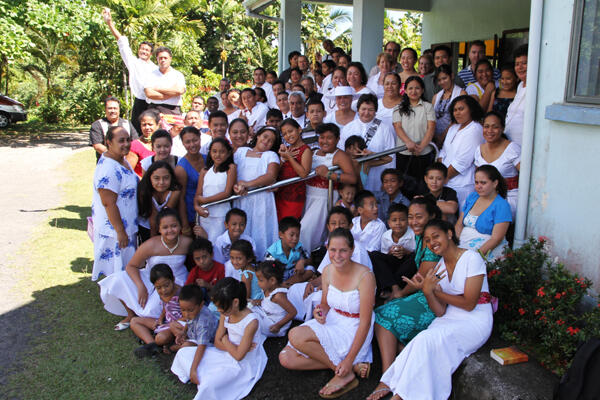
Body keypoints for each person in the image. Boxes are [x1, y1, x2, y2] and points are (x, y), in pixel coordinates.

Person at [371, 219, 493, 400]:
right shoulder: (440, 266)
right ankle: (396, 388)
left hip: (475, 320)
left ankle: (400, 394)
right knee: (422, 341)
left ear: (449, 234)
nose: (432, 242)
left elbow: (469, 303)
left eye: (436, 236)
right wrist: (427, 292)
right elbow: (440, 311)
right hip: (450, 316)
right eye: (427, 240)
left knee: (428, 339)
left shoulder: (471, 258)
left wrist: (432, 291)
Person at [279, 228, 376, 399]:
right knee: (286, 358)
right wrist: (319, 312)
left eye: (343, 250)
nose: (337, 255)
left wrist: (349, 358)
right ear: (327, 249)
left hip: (354, 327)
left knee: (295, 334)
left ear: (352, 250)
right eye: (333, 250)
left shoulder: (365, 276)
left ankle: (344, 368)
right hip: (332, 320)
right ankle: (346, 369)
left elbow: (365, 322)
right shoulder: (328, 271)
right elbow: (325, 303)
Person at [367, 198, 442, 399]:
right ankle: (393, 368)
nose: (414, 221)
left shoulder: (434, 240)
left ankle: (388, 375)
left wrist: (399, 293)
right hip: (423, 293)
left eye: (419, 216)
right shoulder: (421, 237)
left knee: (384, 313)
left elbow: (423, 276)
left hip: (434, 299)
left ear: (432, 216)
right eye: (411, 217)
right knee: (381, 313)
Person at [171, 278, 267, 400]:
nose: (218, 310)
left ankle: (203, 379)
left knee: (209, 384)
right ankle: (198, 375)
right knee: (182, 353)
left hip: (243, 364)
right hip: (226, 352)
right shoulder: (225, 313)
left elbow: (239, 356)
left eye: (221, 307)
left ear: (235, 302)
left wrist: (226, 340)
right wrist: (233, 347)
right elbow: (217, 343)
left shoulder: (251, 322)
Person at [99, 208, 192, 329]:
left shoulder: (187, 242)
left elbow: (201, 254)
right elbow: (131, 266)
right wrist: (140, 286)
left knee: (149, 310)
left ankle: (151, 321)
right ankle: (131, 314)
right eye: (165, 227)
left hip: (176, 280)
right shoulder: (151, 244)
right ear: (159, 229)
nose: (170, 230)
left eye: (174, 226)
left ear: (180, 226)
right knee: (118, 279)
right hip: (150, 278)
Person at [91, 126, 139, 281]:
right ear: (109, 142)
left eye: (128, 140)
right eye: (121, 141)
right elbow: (108, 203)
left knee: (126, 271)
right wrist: (120, 231)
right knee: (117, 274)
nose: (126, 144)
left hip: (128, 227)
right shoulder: (108, 168)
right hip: (115, 233)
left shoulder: (122, 160)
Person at [300, 123, 357, 252]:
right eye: (322, 137)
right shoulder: (313, 151)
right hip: (309, 195)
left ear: (337, 139)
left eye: (329, 138)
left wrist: (329, 174)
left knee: (306, 230)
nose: (324, 141)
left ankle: (305, 258)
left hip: (324, 197)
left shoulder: (339, 155)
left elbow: (352, 178)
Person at [102, 8, 156, 134]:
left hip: (153, 103)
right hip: (139, 102)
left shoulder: (155, 68)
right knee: (136, 132)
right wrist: (110, 23)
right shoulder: (133, 63)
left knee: (154, 132)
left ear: (151, 53)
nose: (143, 51)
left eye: (147, 50)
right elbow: (122, 43)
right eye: (142, 49)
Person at [233, 126, 281, 258]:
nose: (266, 141)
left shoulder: (271, 155)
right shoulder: (241, 151)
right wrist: (236, 187)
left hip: (262, 200)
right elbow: (232, 172)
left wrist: (247, 185)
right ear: (258, 136)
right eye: (265, 136)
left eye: (271, 141)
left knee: (261, 231)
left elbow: (270, 177)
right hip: (241, 198)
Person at [340, 94, 396, 197]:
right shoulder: (348, 128)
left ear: (375, 111)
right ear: (358, 110)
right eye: (363, 109)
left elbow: (391, 158)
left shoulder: (384, 129)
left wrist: (387, 182)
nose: (366, 113)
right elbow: (341, 154)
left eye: (370, 110)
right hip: (353, 181)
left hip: (378, 178)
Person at [455, 164, 512, 260]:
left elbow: (496, 239)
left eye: (483, 183)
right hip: (463, 245)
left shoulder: (502, 205)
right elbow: (459, 224)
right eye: (476, 182)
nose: (478, 186)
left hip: (486, 251)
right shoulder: (472, 197)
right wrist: (455, 245)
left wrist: (475, 256)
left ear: (495, 183)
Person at [438, 95, 485, 208]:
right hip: (445, 182)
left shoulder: (475, 129)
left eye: (461, 109)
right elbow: (443, 152)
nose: (457, 113)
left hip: (462, 185)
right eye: (455, 110)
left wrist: (441, 178)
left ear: (471, 109)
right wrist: (439, 175)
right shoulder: (453, 127)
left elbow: (463, 161)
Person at [475, 111, 521, 218]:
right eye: (486, 126)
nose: (490, 131)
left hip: (508, 197)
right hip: (485, 196)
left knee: (492, 215)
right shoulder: (479, 149)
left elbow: (526, 176)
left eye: (495, 127)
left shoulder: (512, 149)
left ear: (502, 128)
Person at [169, 284, 218, 382]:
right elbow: (188, 321)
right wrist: (183, 332)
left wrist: (193, 369)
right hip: (194, 334)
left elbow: (202, 346)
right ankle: (182, 343)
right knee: (173, 325)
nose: (186, 314)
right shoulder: (192, 313)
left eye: (190, 310)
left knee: (185, 346)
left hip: (207, 344)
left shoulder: (204, 322)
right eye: (183, 310)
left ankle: (179, 347)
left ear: (201, 305)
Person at [131, 263, 181, 357]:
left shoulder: (181, 294)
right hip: (166, 322)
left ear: (173, 279)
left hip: (177, 326)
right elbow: (166, 307)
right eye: (159, 288)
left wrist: (172, 326)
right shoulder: (162, 294)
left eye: (166, 285)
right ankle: (152, 345)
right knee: (134, 321)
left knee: (161, 338)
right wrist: (161, 319)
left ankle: (156, 343)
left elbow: (187, 317)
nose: (163, 290)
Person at [393, 75, 436, 183]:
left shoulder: (428, 107)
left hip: (424, 152)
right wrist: (409, 143)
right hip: (404, 152)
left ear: (422, 90)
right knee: (404, 184)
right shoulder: (398, 108)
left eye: (417, 88)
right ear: (405, 90)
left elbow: (431, 128)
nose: (414, 91)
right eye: (410, 88)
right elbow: (397, 127)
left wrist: (421, 147)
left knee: (423, 185)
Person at [369, 202, 416, 298]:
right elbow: (385, 256)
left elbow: (417, 254)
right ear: (389, 223)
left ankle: (390, 290)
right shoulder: (386, 236)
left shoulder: (413, 234)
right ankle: (395, 288)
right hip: (393, 264)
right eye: (394, 220)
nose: (398, 223)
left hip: (406, 265)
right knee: (374, 255)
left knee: (414, 258)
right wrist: (390, 253)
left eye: (402, 220)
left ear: (408, 221)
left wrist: (406, 252)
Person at [195, 138, 236, 243]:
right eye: (214, 151)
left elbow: (227, 193)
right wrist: (197, 207)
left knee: (219, 245)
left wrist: (205, 200)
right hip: (205, 215)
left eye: (222, 152)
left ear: (228, 153)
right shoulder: (205, 171)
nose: (218, 155)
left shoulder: (231, 168)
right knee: (206, 244)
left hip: (221, 215)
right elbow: (198, 195)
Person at [276, 119, 312, 220]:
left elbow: (304, 173)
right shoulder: (286, 150)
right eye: (284, 134)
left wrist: (289, 158)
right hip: (280, 195)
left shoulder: (306, 150)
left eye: (290, 131)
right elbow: (276, 171)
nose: (288, 135)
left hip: (294, 198)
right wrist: (283, 158)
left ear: (299, 129)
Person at [137, 161, 181, 242]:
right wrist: (154, 242)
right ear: (150, 178)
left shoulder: (175, 190)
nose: (161, 182)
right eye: (156, 178)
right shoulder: (144, 190)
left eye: (166, 178)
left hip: (166, 225)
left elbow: (165, 213)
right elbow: (152, 218)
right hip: (146, 225)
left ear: (171, 177)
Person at [250, 261, 297, 337]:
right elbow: (267, 302)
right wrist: (255, 302)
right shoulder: (267, 289)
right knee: (247, 308)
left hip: (274, 325)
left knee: (251, 320)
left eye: (261, 280)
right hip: (266, 315)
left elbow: (293, 312)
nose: (258, 283)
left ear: (272, 280)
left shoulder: (278, 296)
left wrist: (278, 325)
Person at [174, 126, 205, 237]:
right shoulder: (181, 168)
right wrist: (185, 225)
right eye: (188, 142)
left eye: (195, 140)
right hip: (192, 215)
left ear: (200, 139)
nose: (192, 145)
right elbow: (181, 198)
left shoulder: (209, 159)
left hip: (209, 212)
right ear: (183, 144)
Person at [265, 217, 313, 286]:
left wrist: (302, 262)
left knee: (310, 269)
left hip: (293, 274)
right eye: (291, 235)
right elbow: (267, 272)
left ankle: (287, 284)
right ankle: (284, 285)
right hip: (279, 277)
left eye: (297, 235)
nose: (295, 239)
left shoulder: (298, 247)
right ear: (281, 234)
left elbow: (309, 260)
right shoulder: (272, 252)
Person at [89, 96, 138, 162]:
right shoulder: (97, 125)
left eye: (115, 108)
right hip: (105, 163)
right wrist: (115, 155)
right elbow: (97, 146)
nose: (113, 111)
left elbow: (135, 142)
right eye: (110, 108)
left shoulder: (127, 124)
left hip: (126, 163)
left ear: (119, 109)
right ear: (105, 109)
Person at [431, 64, 467, 146]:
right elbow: (431, 118)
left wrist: (442, 136)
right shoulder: (436, 97)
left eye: (444, 78)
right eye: (439, 80)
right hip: (435, 137)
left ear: (452, 76)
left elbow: (459, 119)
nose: (442, 82)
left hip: (453, 136)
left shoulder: (461, 94)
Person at [144, 46, 186, 115]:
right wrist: (169, 94)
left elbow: (179, 91)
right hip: (154, 109)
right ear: (157, 59)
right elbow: (149, 93)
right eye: (160, 58)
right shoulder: (150, 75)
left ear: (170, 59)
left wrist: (157, 89)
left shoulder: (178, 75)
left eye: (165, 58)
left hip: (173, 110)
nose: (163, 60)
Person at [505, 44, 528, 146]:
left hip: (524, 146)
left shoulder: (536, 88)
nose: (520, 67)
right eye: (517, 64)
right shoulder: (520, 86)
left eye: (524, 63)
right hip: (511, 144)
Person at [127, 109, 159, 177]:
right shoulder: (135, 146)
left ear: (157, 125)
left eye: (150, 124)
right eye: (144, 125)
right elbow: (129, 171)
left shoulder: (162, 144)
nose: (147, 127)